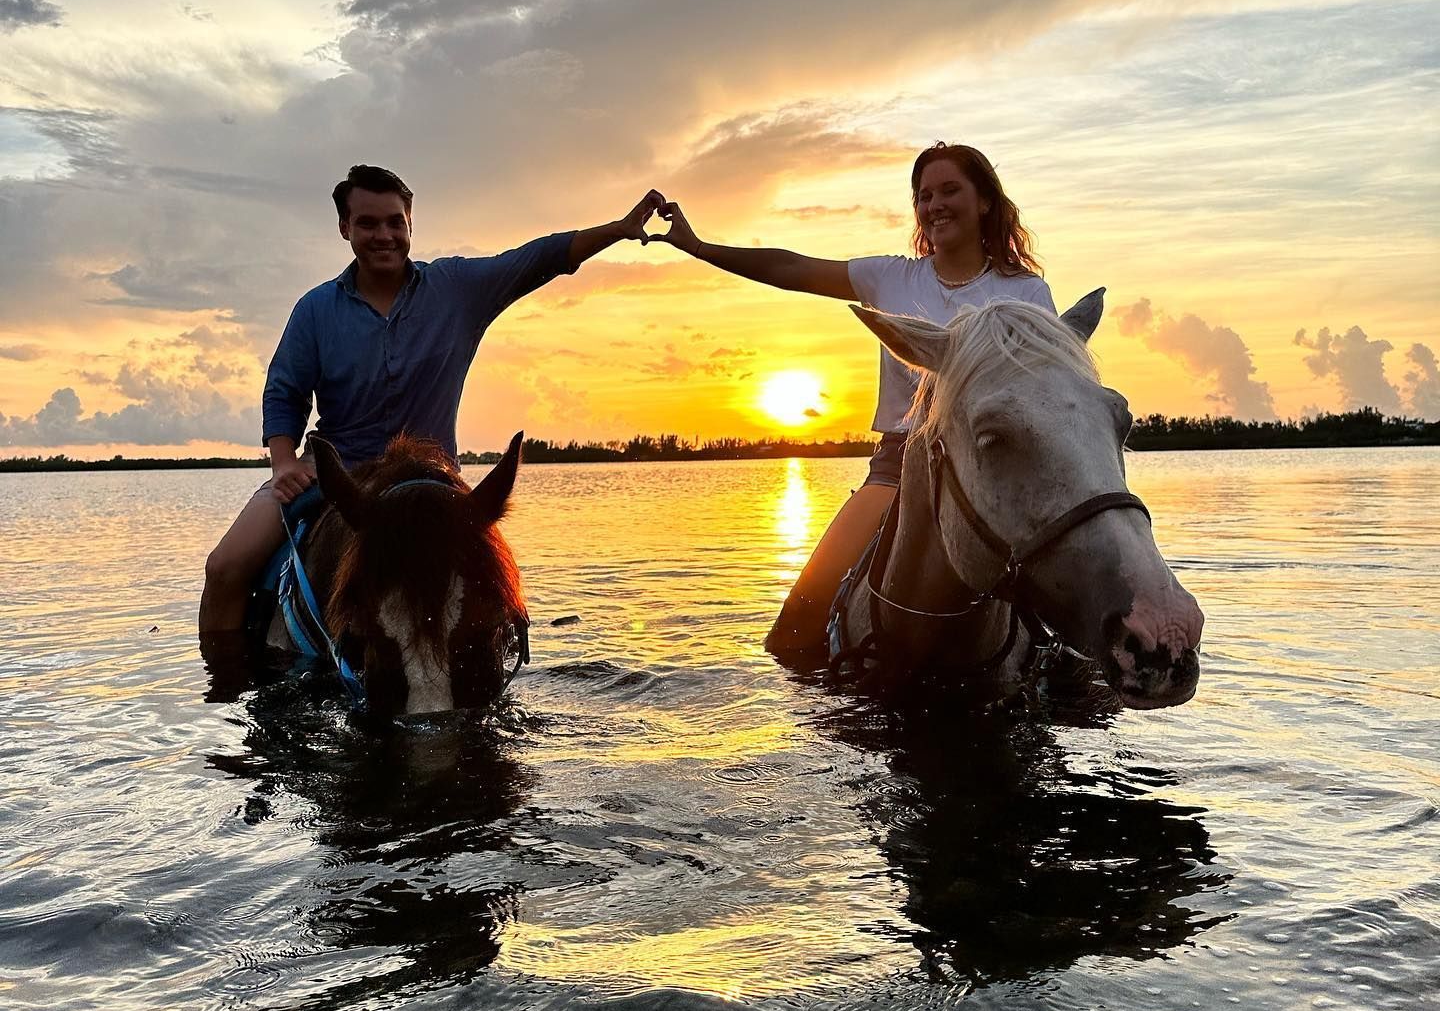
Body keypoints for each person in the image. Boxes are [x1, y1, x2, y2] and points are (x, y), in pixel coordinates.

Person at [199, 163, 665, 639]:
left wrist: (621, 230)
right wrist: (282, 463)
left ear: (409, 223)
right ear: (345, 228)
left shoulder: (456, 290)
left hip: (433, 479)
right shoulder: (316, 310)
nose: (384, 235)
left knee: (504, 599)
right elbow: (285, 390)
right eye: (367, 223)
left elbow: (536, 259)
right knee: (225, 568)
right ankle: (226, 683)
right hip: (337, 474)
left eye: (394, 222)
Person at [648, 142, 1057, 661]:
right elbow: (793, 268)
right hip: (900, 463)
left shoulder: (1026, 293)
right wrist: (701, 247)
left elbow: (1045, 397)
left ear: (984, 202)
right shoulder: (892, 278)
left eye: (950, 190)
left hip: (995, 467)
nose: (935, 205)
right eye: (924, 196)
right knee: (797, 624)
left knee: (1070, 611)